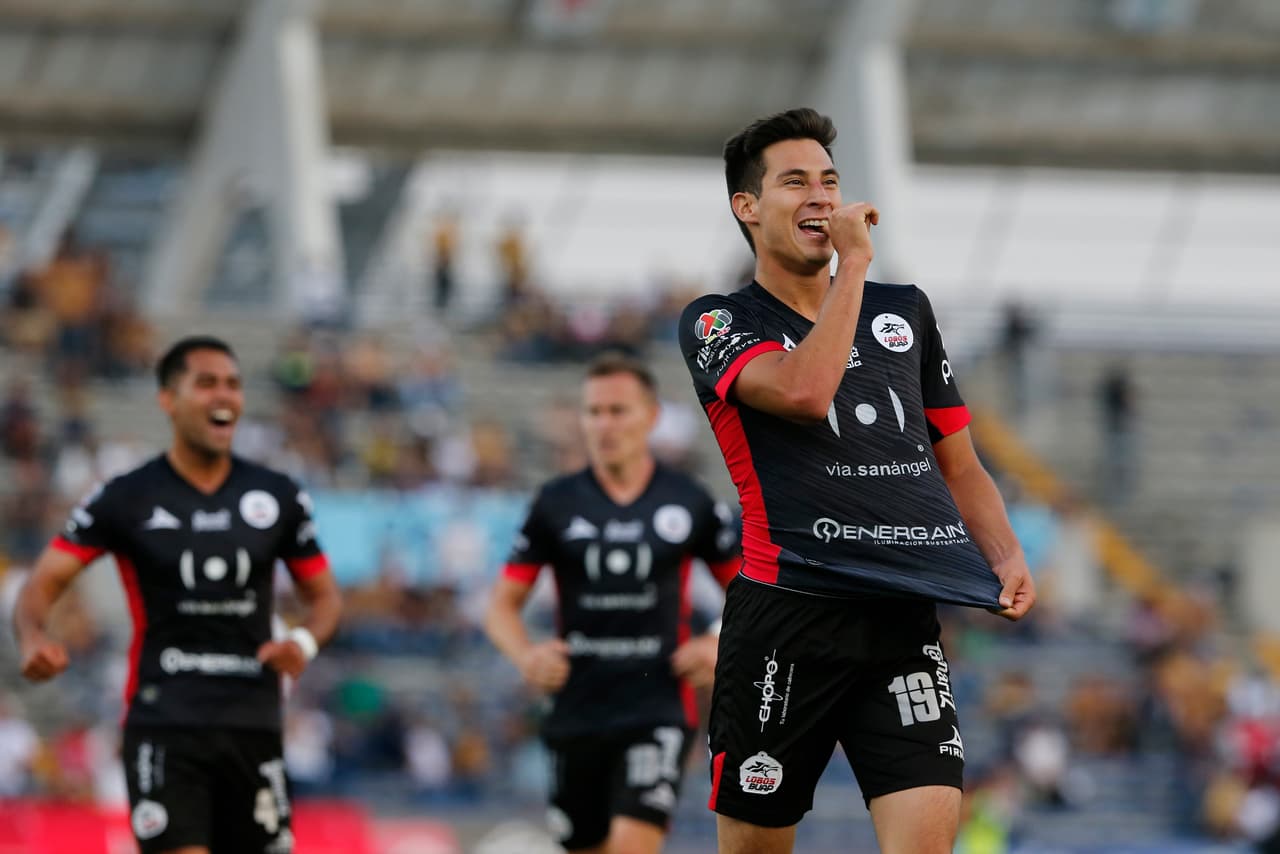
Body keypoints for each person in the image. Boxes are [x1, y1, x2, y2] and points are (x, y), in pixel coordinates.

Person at [677, 108, 1036, 854]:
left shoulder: (905, 312)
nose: (820, 197)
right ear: (747, 206)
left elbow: (958, 462)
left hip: (899, 620)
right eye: (795, 181)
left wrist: (1003, 555)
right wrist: (857, 270)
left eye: (830, 181)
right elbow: (806, 393)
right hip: (784, 623)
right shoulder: (717, 320)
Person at [13, 335, 343, 854]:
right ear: (168, 399)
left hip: (252, 723)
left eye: (233, 385)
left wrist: (301, 645)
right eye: (206, 383)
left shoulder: (278, 496)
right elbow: (44, 582)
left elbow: (324, 600)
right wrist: (32, 634)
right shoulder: (126, 496)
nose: (224, 396)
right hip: (166, 721)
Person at [485, 352, 741, 854]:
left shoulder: (688, 499)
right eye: (594, 411)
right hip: (575, 708)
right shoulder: (554, 502)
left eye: (617, 410)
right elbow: (501, 606)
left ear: (649, 415)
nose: (604, 424)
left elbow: (750, 588)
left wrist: (717, 643)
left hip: (657, 705)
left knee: (631, 844)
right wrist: (526, 655)